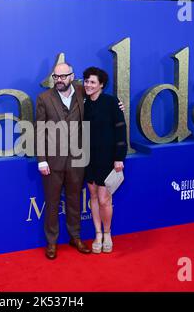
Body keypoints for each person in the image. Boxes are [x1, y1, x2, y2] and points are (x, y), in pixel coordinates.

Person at [35, 63, 91, 259]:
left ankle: (75, 237)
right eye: (56, 77)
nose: (59, 80)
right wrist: (41, 160)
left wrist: (119, 105)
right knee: (51, 203)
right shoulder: (44, 98)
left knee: (75, 200)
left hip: (77, 158)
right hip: (53, 161)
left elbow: (100, 99)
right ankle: (51, 242)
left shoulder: (82, 92)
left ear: (72, 76)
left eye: (63, 77)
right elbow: (39, 131)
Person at [83, 66, 127, 254]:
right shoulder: (83, 104)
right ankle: (98, 234)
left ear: (101, 84)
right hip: (88, 158)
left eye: (93, 82)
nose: (88, 85)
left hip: (108, 159)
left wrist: (119, 157)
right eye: (86, 81)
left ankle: (108, 233)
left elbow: (120, 130)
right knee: (93, 196)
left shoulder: (111, 102)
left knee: (104, 200)